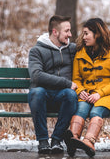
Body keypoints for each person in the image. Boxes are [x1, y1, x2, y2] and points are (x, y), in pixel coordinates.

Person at [65, 18, 110, 157]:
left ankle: (89, 142)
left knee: (95, 112)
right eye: (83, 34)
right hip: (87, 94)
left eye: (86, 33)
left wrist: (100, 93)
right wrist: (80, 91)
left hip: (107, 95)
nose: (83, 37)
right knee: (80, 110)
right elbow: (76, 79)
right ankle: (73, 139)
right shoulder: (80, 54)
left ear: (97, 33)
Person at [28, 15, 79, 154]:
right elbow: (36, 75)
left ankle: (57, 140)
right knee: (37, 92)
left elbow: (93, 46)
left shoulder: (72, 49)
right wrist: (66, 83)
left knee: (71, 94)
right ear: (55, 32)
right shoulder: (36, 51)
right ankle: (43, 141)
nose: (70, 34)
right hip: (42, 98)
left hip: (62, 98)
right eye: (67, 31)